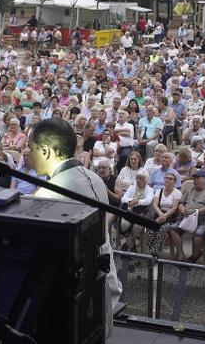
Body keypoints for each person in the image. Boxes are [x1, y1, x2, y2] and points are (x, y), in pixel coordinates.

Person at [29, 118, 120, 338]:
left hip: (71, 291)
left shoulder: (48, 194)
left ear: (45, 150)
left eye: (30, 149)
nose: (28, 156)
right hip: (99, 281)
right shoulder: (94, 178)